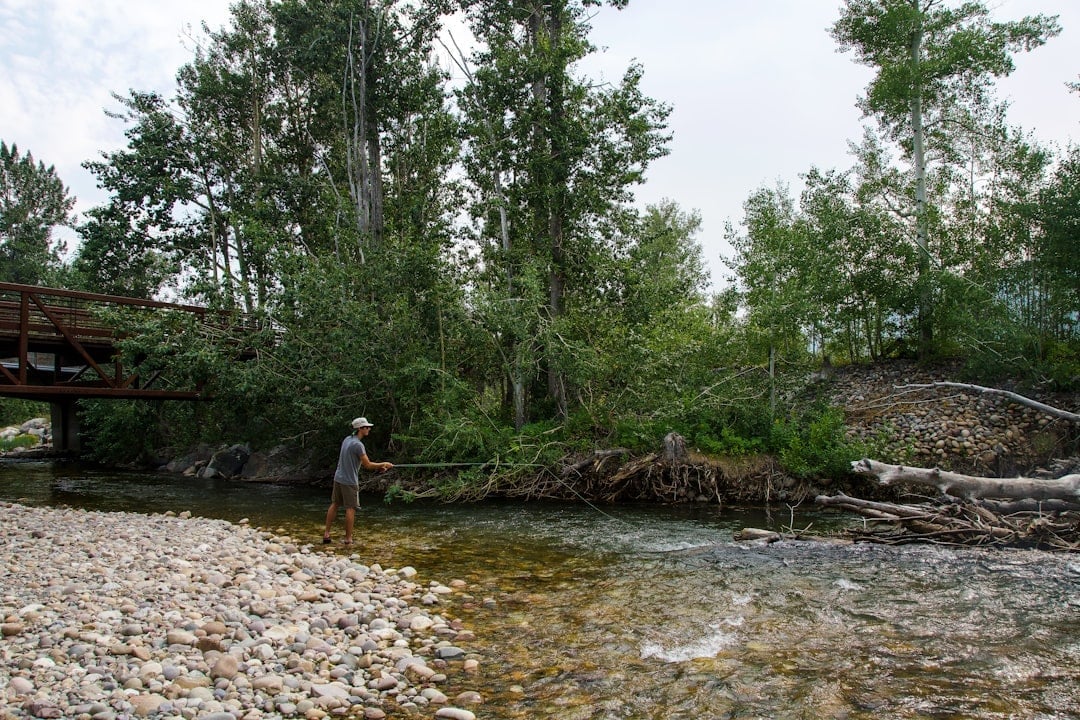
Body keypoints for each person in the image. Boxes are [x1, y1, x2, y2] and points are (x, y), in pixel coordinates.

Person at [322, 416, 392, 545]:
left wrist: (380, 467)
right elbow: (368, 465)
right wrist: (384, 463)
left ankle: (326, 534)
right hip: (349, 481)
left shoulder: (347, 439)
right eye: (367, 427)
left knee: (335, 504)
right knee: (351, 508)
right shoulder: (358, 445)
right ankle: (348, 539)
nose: (369, 429)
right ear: (360, 429)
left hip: (338, 477)